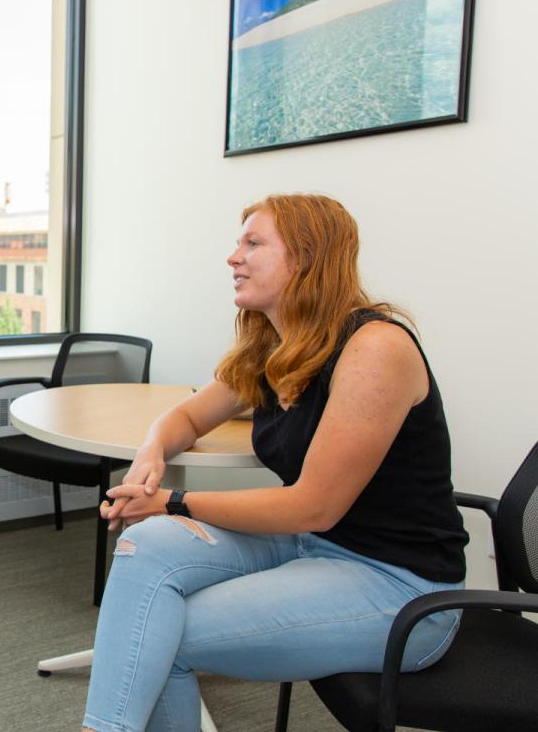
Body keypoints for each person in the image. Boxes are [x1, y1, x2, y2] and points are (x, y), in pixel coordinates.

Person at [80, 193, 468, 732]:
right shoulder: (276, 347)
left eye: (253, 243)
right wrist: (151, 453)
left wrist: (173, 501)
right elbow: (186, 417)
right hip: (307, 544)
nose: (233, 257)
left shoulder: (375, 348)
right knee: (145, 548)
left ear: (307, 258)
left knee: (156, 634)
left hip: (398, 585)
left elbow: (315, 506)